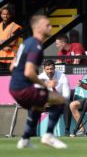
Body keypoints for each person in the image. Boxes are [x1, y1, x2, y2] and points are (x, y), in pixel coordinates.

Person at [9, 15, 67, 149]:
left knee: (38, 106)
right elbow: (29, 72)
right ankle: (48, 136)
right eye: (47, 25)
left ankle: (25, 140)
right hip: (22, 88)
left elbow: (12, 66)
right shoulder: (36, 46)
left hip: (14, 87)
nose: (50, 27)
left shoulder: (27, 42)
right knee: (60, 99)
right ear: (39, 28)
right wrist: (46, 84)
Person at [37, 59, 71, 136]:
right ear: (44, 69)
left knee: (67, 103)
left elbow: (67, 95)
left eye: (51, 69)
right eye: (47, 69)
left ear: (54, 68)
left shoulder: (62, 76)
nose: (50, 71)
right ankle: (33, 131)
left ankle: (67, 130)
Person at [0, 5, 22, 74]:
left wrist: (1, 43)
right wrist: (4, 45)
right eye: (3, 14)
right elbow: (8, 42)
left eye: (7, 14)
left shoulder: (15, 26)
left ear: (10, 15)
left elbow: (12, 42)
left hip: (11, 56)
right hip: (1, 55)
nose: (5, 16)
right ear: (1, 15)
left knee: (11, 76)